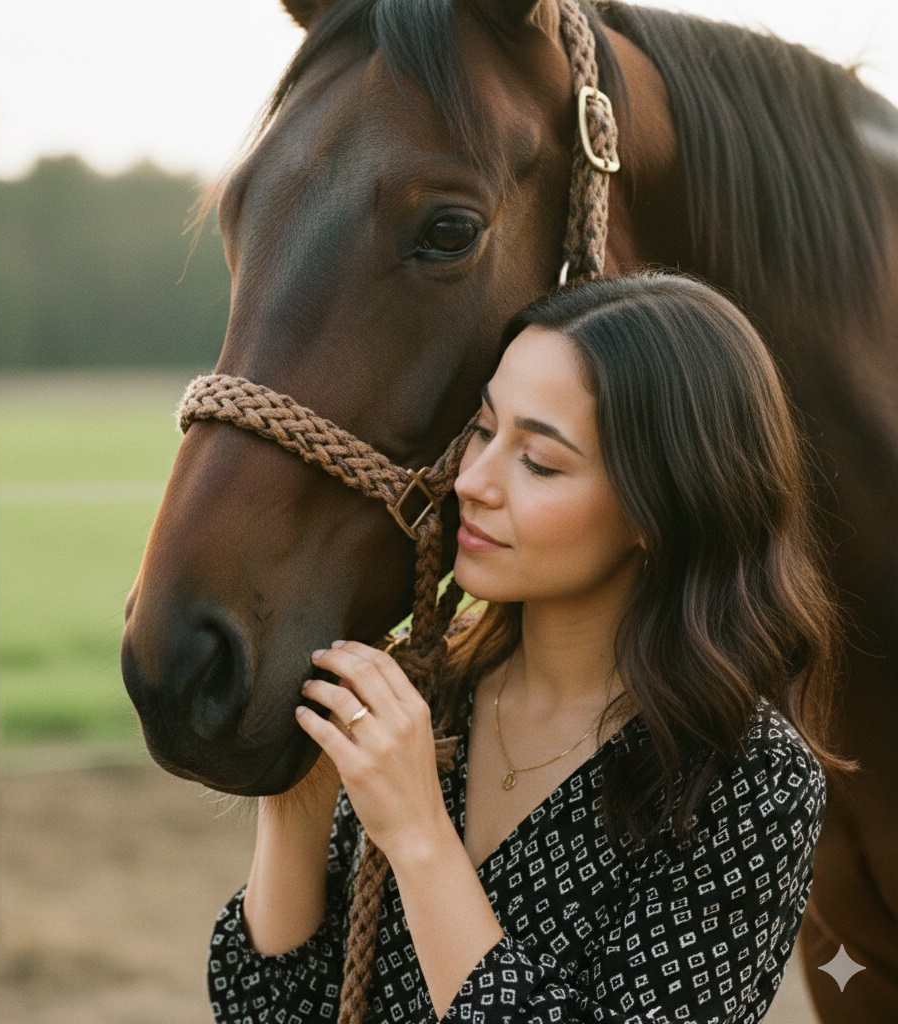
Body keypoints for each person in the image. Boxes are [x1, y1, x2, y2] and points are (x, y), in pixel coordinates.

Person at [206, 273, 848, 1024]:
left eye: (539, 463)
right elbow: (272, 1013)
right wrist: (296, 808)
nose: (473, 481)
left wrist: (419, 837)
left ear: (662, 507)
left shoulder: (751, 784)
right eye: (483, 430)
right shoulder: (424, 697)